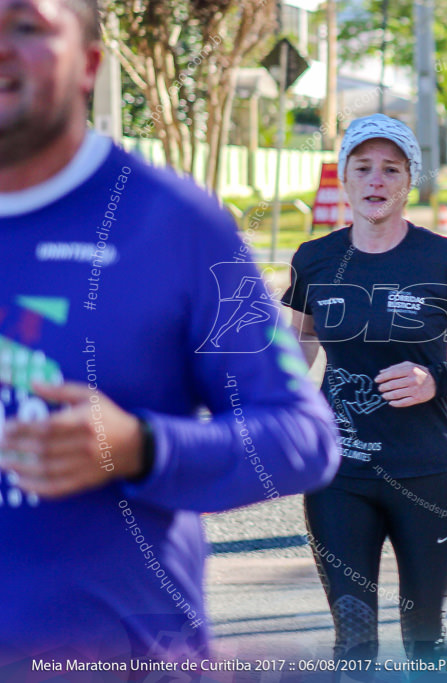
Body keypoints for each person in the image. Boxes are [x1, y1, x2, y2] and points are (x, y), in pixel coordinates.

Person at [0, 0, 340, 668]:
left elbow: (304, 438)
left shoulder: (176, 223)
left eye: (27, 26)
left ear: (88, 64)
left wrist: (142, 447)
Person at [285, 114, 447, 676]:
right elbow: (294, 358)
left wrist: (440, 379)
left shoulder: (444, 257)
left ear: (409, 180)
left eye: (391, 169)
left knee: (424, 640)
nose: (376, 181)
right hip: (339, 477)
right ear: (344, 175)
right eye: (363, 167)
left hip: (428, 474)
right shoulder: (314, 258)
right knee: (354, 642)